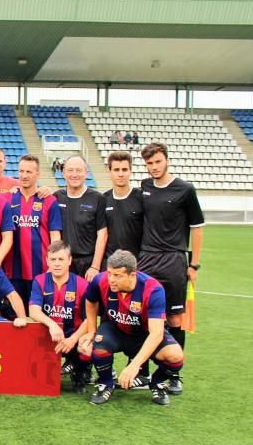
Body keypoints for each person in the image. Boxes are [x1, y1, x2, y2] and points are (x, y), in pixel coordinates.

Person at [136, 142, 204, 395]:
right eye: (149, 164)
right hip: (147, 259)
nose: (153, 167)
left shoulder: (185, 190)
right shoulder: (145, 187)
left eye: (157, 162)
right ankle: (141, 369)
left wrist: (194, 263)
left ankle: (173, 374)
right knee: (142, 316)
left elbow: (197, 227)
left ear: (167, 160)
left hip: (174, 260)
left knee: (175, 318)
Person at [78, 249, 185, 406]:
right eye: (109, 273)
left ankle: (156, 382)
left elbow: (156, 334)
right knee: (86, 348)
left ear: (132, 275)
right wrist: (92, 330)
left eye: (118, 275)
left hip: (144, 335)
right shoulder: (100, 280)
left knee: (175, 356)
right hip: (115, 330)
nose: (111, 280)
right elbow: (90, 301)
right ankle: (106, 383)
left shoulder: (153, 289)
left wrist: (134, 366)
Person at [28, 241, 91, 393]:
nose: (56, 264)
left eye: (61, 259)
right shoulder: (40, 280)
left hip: (73, 336)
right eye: (53, 260)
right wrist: (52, 325)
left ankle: (80, 371)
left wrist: (73, 339)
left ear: (69, 261)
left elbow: (90, 319)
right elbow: (33, 311)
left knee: (87, 348)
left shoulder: (82, 285)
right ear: (47, 261)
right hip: (49, 335)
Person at [3, 155, 62, 306]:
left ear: (38, 174)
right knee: (14, 318)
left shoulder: (49, 200)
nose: (24, 175)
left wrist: (53, 263)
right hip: (12, 270)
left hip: (40, 269)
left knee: (40, 316)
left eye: (29, 172)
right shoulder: (7, 199)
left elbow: (55, 236)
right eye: (21, 171)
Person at [54, 155, 107, 280]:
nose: (74, 174)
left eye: (79, 170)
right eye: (70, 170)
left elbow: (102, 234)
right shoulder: (56, 197)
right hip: (65, 262)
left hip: (88, 263)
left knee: (89, 299)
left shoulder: (98, 198)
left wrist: (95, 266)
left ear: (86, 173)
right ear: (63, 172)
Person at [103, 151, 144, 259]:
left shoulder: (142, 198)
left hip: (137, 264)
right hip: (110, 265)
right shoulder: (103, 200)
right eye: (116, 170)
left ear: (130, 171)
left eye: (124, 169)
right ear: (109, 171)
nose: (120, 174)